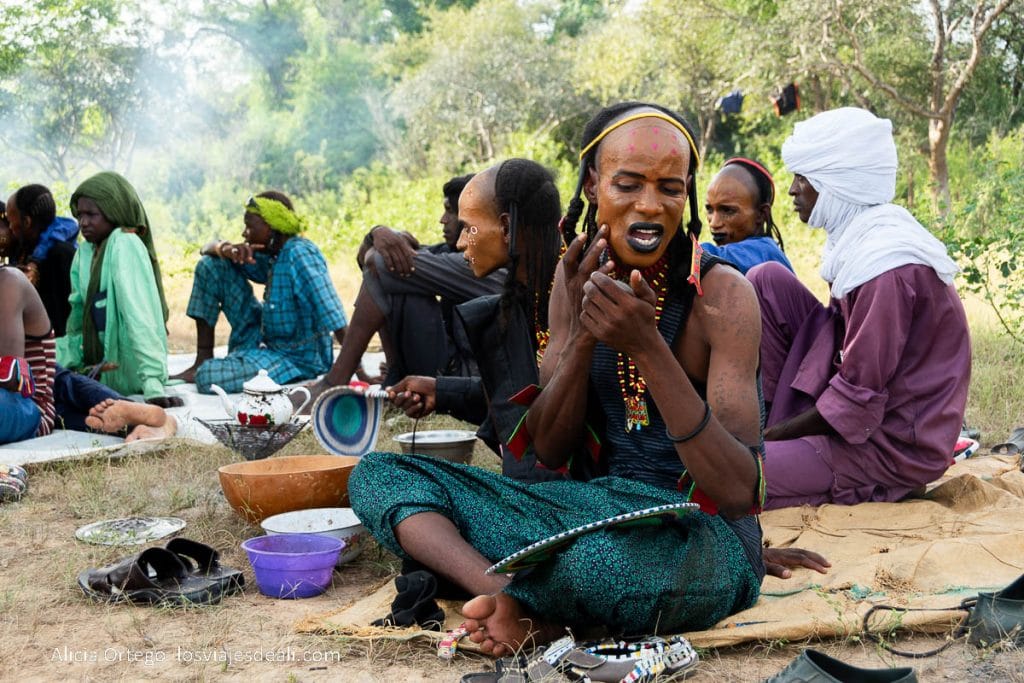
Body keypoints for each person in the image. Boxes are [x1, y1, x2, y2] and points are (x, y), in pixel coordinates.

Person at [348, 103, 825, 658]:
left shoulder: (724, 297)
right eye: (628, 184)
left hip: (701, 532)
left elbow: (739, 492)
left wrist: (647, 347)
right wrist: (581, 338)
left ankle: (541, 604)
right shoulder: (570, 281)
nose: (650, 206)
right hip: (593, 509)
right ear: (594, 185)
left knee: (594, 562)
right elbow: (548, 449)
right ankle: (512, 598)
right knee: (381, 474)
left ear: (687, 193)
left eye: (670, 188)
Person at [748, 107, 970, 509]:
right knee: (765, 280)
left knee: (736, 475)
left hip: (891, 444)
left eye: (804, 178)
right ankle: (767, 429)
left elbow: (857, 398)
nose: (794, 189)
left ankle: (782, 448)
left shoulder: (885, 266)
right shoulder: (859, 238)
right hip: (860, 406)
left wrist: (768, 440)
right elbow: (840, 339)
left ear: (836, 185)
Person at [387, 159, 566, 483]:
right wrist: (440, 390)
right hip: (531, 488)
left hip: (571, 495)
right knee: (380, 474)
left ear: (507, 227)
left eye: (469, 227)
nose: (458, 243)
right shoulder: (522, 299)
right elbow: (518, 395)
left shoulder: (578, 296)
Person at [303, 175, 505, 407]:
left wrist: (379, 245)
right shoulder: (454, 252)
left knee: (393, 272)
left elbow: (379, 263)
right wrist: (377, 234)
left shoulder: (484, 263)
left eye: (451, 212)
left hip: (468, 378)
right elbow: (381, 258)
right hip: (449, 364)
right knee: (398, 276)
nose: (443, 220)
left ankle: (336, 381)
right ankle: (391, 374)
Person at [170, 191, 349, 395]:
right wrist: (226, 249)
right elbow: (206, 248)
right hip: (261, 339)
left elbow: (333, 314)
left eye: (250, 226)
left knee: (208, 377)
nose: (244, 233)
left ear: (272, 227)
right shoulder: (271, 254)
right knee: (211, 265)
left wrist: (356, 372)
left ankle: (214, 367)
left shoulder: (300, 254)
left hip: (294, 357)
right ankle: (202, 358)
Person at [1, 265, 173, 444]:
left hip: (30, 401)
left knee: (71, 388)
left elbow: (10, 380)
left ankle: (159, 421)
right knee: (93, 415)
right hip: (47, 400)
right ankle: (139, 423)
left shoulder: (9, 281)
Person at [57, 172, 182, 408]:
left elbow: (140, 318)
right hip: (94, 360)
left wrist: (153, 385)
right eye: (80, 214)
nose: (83, 222)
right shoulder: (84, 253)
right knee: (33, 361)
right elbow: (77, 314)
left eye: (91, 214)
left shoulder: (125, 243)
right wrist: (72, 359)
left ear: (114, 212)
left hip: (127, 367)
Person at [3, 184, 80, 337]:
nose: (10, 228)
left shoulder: (62, 255)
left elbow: (65, 316)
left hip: (57, 350)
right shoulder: (23, 250)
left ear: (27, 222)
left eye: (11, 221)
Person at [701, 158, 793, 274]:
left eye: (728, 210)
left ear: (761, 214)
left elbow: (698, 257)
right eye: (709, 210)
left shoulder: (764, 253)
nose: (714, 223)